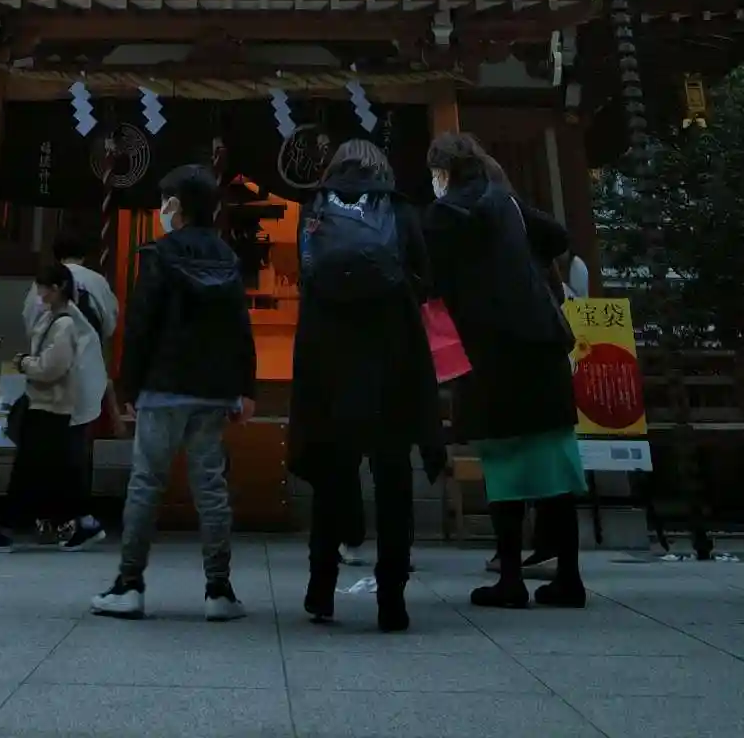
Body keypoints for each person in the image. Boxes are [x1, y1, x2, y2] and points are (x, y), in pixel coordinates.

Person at [425, 132, 586, 610]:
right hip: (541, 343)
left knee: (504, 464)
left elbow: (431, 279)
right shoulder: (507, 201)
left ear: (443, 172)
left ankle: (510, 577)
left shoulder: (444, 215)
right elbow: (557, 236)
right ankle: (569, 578)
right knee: (554, 461)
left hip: (488, 349)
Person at [289, 139, 445, 632]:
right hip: (391, 358)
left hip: (330, 361)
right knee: (393, 478)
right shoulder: (400, 211)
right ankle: (392, 599)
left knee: (332, 477)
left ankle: (320, 589)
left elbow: (307, 277)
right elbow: (425, 278)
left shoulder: (313, 210)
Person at [91, 164, 256, 622]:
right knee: (211, 488)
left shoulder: (158, 255)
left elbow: (141, 324)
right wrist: (245, 387)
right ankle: (219, 590)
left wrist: (129, 383)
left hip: (163, 386)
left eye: (165, 201)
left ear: (176, 206)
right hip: (212, 390)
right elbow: (240, 330)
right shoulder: (227, 257)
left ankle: (129, 584)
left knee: (146, 483)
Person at [0, 262, 90, 551]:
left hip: (50, 404)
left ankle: (6, 528)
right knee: (53, 470)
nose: (40, 293)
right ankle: (82, 522)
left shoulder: (65, 324)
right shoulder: (54, 319)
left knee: (28, 469)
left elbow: (51, 367)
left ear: (57, 288)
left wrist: (24, 363)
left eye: (44, 287)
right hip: (47, 403)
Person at [22, 227, 121, 550]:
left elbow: (30, 320)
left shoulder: (44, 283)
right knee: (76, 448)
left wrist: (32, 360)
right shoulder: (97, 281)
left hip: (51, 375)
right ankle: (75, 517)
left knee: (48, 450)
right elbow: (110, 322)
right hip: (86, 371)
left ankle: (52, 518)